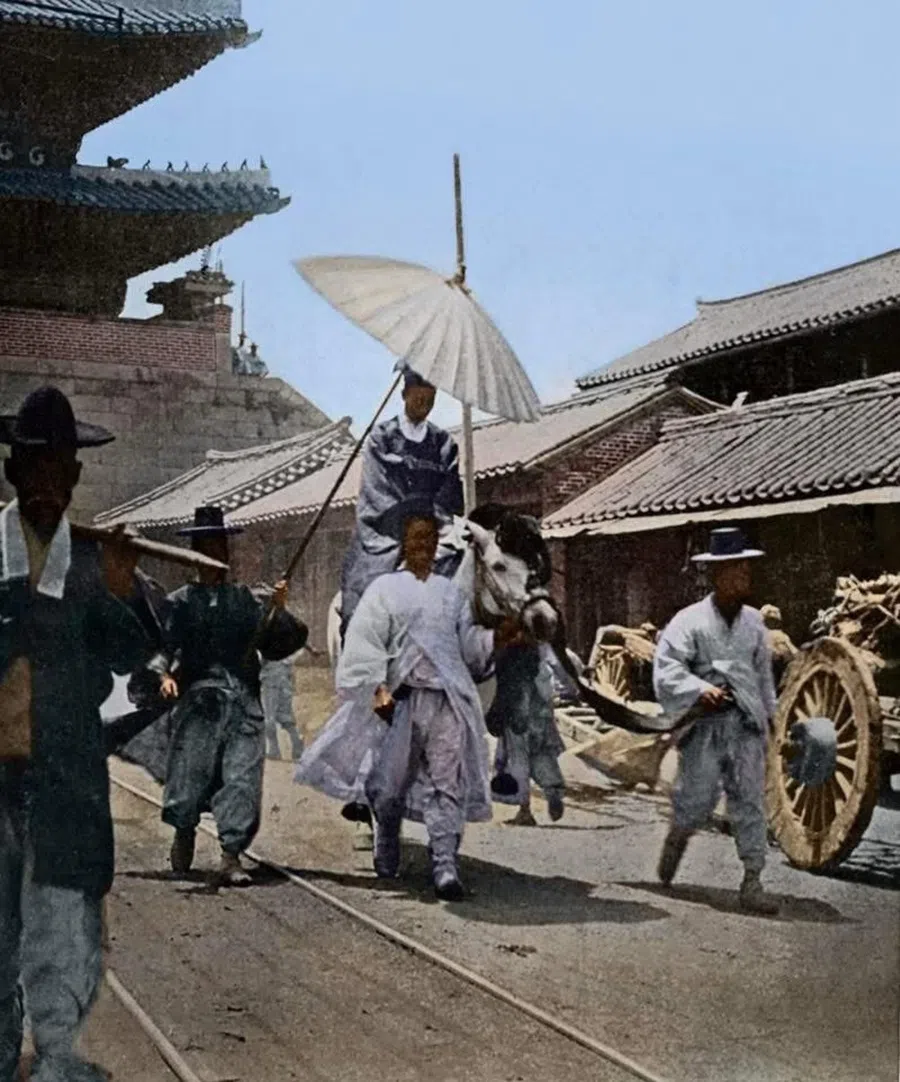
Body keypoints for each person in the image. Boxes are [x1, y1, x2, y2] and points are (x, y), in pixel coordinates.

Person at [0, 386, 153, 1082]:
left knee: (64, 925)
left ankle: (57, 1056)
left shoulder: (93, 566)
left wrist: (122, 592)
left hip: (64, 778)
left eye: (58, 472)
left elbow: (132, 656)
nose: (46, 487)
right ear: (11, 471)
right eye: (32, 470)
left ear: (75, 477)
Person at [297, 512, 519, 900]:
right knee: (389, 784)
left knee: (446, 781)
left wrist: (494, 639)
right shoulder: (384, 589)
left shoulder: (451, 594)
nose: (423, 545)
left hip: (446, 699)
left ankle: (445, 865)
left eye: (429, 538)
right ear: (403, 544)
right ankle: (386, 836)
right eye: (416, 538)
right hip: (399, 700)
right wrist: (376, 688)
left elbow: (466, 646)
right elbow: (366, 641)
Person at [150, 506, 307, 886]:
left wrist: (277, 611)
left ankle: (231, 854)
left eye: (219, 547)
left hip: (243, 701)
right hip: (199, 702)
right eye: (205, 548)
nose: (213, 555)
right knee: (190, 776)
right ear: (194, 554)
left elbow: (278, 643)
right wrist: (164, 674)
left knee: (242, 778)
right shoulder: (180, 602)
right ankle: (184, 830)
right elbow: (162, 647)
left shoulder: (245, 600)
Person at [654, 527, 779, 915]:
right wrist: (698, 688)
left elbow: (762, 677)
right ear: (718, 574)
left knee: (749, 801)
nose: (744, 576)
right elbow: (667, 669)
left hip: (744, 725)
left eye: (746, 568)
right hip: (705, 726)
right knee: (696, 800)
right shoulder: (688, 621)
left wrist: (770, 718)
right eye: (736, 569)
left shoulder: (754, 623)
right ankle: (678, 835)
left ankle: (752, 881)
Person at [339, 365, 463, 642]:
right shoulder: (381, 438)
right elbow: (377, 488)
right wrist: (407, 520)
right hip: (388, 527)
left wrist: (436, 521)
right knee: (368, 585)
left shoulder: (444, 442)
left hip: (435, 524)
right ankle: (360, 645)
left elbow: (449, 490)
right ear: (404, 394)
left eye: (430, 400)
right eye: (418, 398)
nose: (424, 405)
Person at [488, 641, 566, 826]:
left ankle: (525, 810)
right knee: (542, 754)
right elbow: (558, 667)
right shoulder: (540, 645)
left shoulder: (506, 647)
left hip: (517, 711)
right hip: (540, 711)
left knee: (519, 759)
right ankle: (553, 792)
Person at [260, 649, 305, 761]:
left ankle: (274, 749)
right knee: (285, 714)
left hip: (271, 674)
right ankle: (297, 745)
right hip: (285, 671)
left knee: (269, 714)